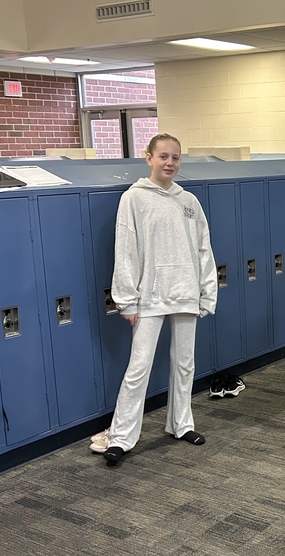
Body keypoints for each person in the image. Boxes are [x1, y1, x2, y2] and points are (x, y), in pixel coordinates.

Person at [93, 133, 217, 467]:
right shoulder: (134, 199)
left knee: (184, 363)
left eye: (175, 157)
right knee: (139, 367)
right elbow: (126, 250)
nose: (170, 163)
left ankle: (181, 424)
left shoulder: (189, 201)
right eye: (163, 156)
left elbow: (203, 249)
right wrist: (127, 300)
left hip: (187, 292)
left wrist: (207, 292)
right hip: (150, 296)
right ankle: (120, 438)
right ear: (148, 158)